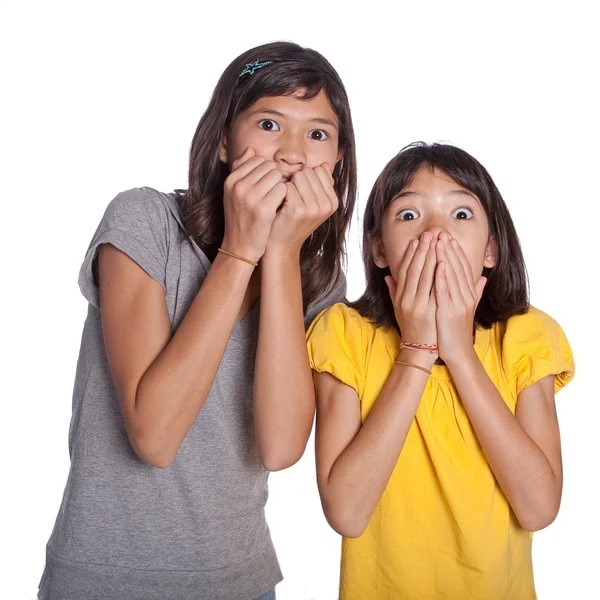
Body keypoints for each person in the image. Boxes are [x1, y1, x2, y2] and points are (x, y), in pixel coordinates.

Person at [38, 41, 357, 600]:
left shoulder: (319, 278)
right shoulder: (143, 220)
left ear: (336, 162)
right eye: (268, 123)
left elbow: (281, 448)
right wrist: (240, 252)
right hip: (103, 580)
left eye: (317, 133)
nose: (292, 153)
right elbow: (154, 436)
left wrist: (280, 255)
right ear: (226, 143)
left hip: (243, 581)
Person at [306, 142, 574, 599]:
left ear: (491, 249)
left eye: (461, 215)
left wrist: (460, 353)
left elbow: (539, 509)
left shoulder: (527, 335)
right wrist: (417, 348)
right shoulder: (343, 333)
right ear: (378, 250)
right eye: (408, 216)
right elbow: (347, 514)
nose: (435, 235)